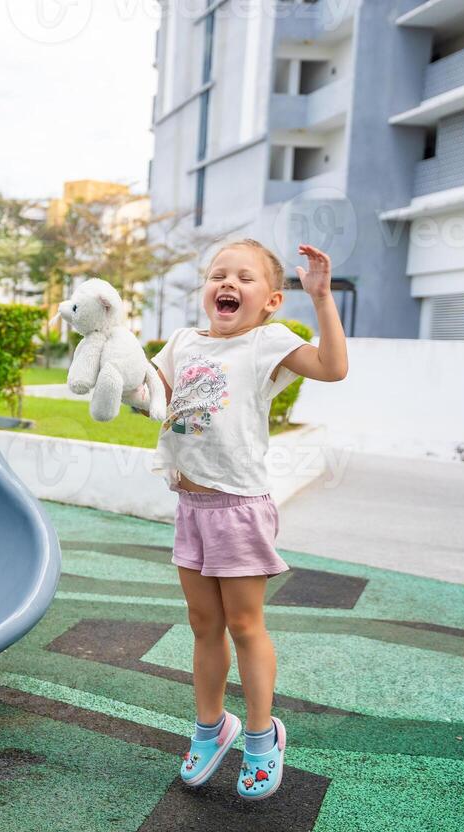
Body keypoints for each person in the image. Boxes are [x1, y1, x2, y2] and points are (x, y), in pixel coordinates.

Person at [150, 239, 348, 799]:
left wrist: (322, 300)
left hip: (238, 509)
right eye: (217, 275)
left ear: (271, 301)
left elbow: (333, 368)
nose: (227, 284)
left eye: (244, 277)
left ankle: (263, 735)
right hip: (191, 506)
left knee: (244, 625)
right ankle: (211, 729)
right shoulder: (183, 343)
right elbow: (151, 392)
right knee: (203, 625)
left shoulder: (266, 342)